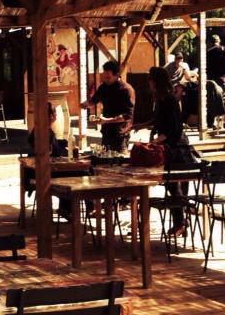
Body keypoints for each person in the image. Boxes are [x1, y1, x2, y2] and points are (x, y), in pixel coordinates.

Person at [134, 67, 190, 234]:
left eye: (150, 80)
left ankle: (180, 223)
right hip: (167, 145)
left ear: (155, 82)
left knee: (173, 184)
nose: (149, 83)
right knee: (171, 185)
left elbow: (175, 128)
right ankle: (179, 223)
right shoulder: (160, 99)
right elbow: (158, 120)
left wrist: (157, 141)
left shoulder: (169, 99)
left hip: (176, 147)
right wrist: (140, 126)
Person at [81, 60, 135, 151]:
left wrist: (107, 120)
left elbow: (127, 116)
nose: (106, 80)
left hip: (120, 134)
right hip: (106, 132)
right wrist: (86, 104)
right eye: (104, 77)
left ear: (117, 75)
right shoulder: (104, 87)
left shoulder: (126, 90)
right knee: (105, 158)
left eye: (108, 78)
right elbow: (94, 100)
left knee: (119, 158)